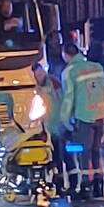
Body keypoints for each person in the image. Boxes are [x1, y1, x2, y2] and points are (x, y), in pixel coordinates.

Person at [60, 43, 104, 200]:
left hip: (83, 117)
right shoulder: (97, 67)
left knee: (83, 153)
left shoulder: (69, 72)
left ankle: (86, 186)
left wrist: (65, 120)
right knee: (96, 150)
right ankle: (99, 185)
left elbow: (68, 98)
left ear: (65, 55)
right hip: (99, 116)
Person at [32, 62, 71, 192]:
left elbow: (63, 100)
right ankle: (56, 181)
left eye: (40, 72)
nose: (40, 75)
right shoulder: (34, 87)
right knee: (52, 156)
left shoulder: (53, 83)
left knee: (61, 155)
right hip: (44, 126)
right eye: (37, 73)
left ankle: (63, 182)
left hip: (57, 125)